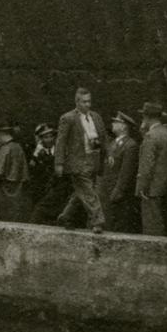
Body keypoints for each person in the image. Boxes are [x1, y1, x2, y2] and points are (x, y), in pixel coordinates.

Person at [53, 87, 108, 232]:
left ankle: (65, 216)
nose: (88, 105)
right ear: (77, 102)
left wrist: (107, 155)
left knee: (81, 192)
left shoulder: (96, 117)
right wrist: (59, 163)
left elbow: (103, 138)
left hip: (94, 160)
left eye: (89, 101)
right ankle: (98, 221)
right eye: (84, 102)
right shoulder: (68, 118)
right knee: (89, 192)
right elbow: (61, 142)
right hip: (77, 162)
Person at [135, 102, 167, 236]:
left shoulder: (150, 136)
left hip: (151, 188)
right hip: (166, 186)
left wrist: (142, 187)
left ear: (146, 117)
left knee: (151, 226)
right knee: (164, 223)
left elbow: (146, 166)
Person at [102, 112, 141, 233]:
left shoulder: (131, 145)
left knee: (118, 226)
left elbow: (126, 172)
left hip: (118, 193)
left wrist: (118, 191)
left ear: (124, 127)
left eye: (116, 122)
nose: (113, 124)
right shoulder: (113, 143)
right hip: (107, 190)